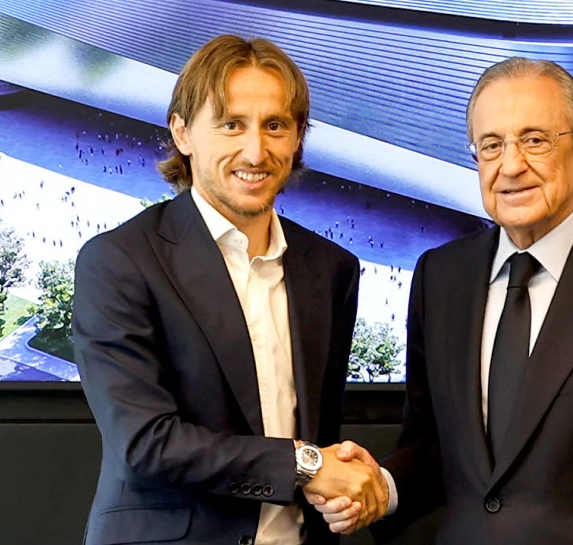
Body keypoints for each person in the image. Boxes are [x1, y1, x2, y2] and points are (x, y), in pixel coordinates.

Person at [317, 58, 573, 544]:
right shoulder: (440, 277)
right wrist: (380, 489)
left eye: (534, 140)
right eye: (491, 145)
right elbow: (433, 449)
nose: (511, 166)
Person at [72, 35, 387, 545]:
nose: (256, 151)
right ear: (182, 133)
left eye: (275, 126)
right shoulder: (119, 260)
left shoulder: (332, 269)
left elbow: (319, 434)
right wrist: (305, 464)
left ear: (297, 139)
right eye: (231, 124)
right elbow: (146, 444)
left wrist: (342, 492)